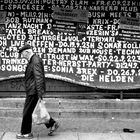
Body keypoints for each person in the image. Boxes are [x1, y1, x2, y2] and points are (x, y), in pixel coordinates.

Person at [16, 44, 59, 139]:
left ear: (27, 52)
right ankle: (52, 123)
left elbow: (39, 78)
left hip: (33, 91)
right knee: (35, 111)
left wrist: (40, 94)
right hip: (33, 90)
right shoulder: (33, 60)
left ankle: (26, 133)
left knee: (27, 112)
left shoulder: (35, 60)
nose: (22, 56)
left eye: (23, 54)